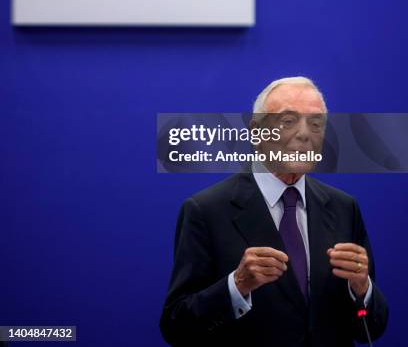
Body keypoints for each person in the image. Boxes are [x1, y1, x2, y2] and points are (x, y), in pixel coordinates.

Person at [160, 77, 388, 346]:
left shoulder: (343, 207)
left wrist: (361, 289)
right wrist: (237, 285)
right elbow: (176, 326)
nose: (304, 133)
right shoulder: (205, 210)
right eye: (288, 121)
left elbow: (369, 329)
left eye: (315, 123)